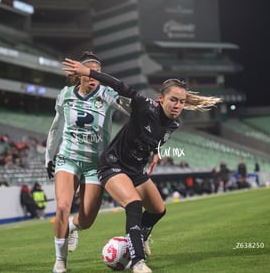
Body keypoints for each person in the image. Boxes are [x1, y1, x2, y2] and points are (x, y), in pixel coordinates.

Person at [63, 58, 221, 273]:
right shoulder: (144, 106)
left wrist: (156, 151)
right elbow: (120, 86)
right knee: (134, 204)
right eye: (173, 100)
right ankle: (137, 261)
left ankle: (141, 237)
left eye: (182, 102)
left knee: (158, 210)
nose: (177, 106)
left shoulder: (174, 123)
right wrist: (90, 73)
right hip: (113, 165)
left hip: (136, 169)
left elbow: (157, 136)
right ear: (160, 98)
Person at [45, 51, 130, 273]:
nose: (93, 77)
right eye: (89, 73)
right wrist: (48, 157)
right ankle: (60, 262)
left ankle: (73, 227)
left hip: (96, 165)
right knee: (62, 206)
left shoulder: (108, 94)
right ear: (78, 75)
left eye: (97, 74)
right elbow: (56, 127)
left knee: (87, 220)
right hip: (68, 158)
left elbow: (133, 110)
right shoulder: (65, 95)